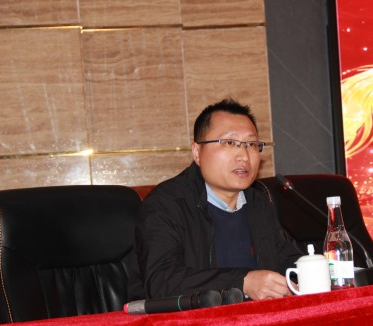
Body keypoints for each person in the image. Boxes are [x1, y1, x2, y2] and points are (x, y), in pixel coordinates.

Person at [127, 98, 304, 301]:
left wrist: (315, 269)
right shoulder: (166, 205)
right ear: (197, 152)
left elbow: (288, 259)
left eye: (251, 144)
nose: (244, 156)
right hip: (188, 320)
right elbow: (162, 282)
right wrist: (242, 282)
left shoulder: (258, 202)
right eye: (230, 143)